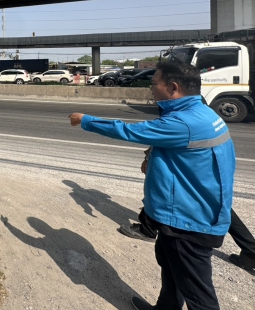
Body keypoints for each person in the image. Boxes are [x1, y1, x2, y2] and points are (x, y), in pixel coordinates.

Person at [69, 62, 235, 310]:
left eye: (154, 83)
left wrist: (85, 120)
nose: (150, 88)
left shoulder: (183, 123)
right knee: (172, 271)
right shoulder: (203, 113)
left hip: (188, 221)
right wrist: (153, 158)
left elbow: (129, 131)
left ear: (173, 88)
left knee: (198, 294)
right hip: (188, 213)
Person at [119, 149, 255, 274]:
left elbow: (166, 134)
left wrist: (148, 158)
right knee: (212, 201)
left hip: (188, 155)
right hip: (206, 155)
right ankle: (250, 249)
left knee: (163, 180)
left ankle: (148, 229)